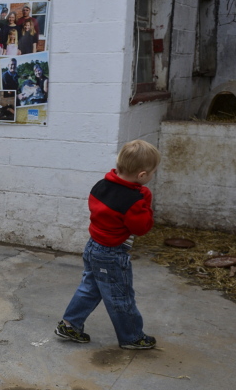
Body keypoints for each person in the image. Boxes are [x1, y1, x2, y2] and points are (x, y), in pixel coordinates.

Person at [54, 139, 161, 350]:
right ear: (142, 175)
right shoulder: (134, 199)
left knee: (90, 288)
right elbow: (141, 228)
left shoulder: (101, 185)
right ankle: (131, 336)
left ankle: (70, 325)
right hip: (111, 254)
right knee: (120, 295)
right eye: (152, 172)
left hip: (93, 246)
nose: (152, 176)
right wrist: (146, 203)